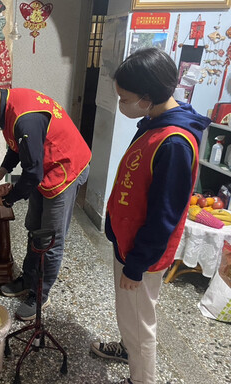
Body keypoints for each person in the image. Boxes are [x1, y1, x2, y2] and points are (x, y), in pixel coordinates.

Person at [90, 48, 210, 384]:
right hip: (129, 240)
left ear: (147, 97)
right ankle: (129, 351)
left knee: (141, 322)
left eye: (124, 98)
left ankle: (142, 378)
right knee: (128, 314)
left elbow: (164, 216)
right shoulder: (156, 121)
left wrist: (136, 264)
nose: (121, 104)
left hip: (143, 251)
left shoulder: (174, 142)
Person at [0, 78, 91, 320]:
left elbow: (32, 173)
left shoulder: (24, 118)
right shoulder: (9, 102)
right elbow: (17, 146)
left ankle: (40, 295)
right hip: (44, 167)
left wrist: (6, 200)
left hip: (65, 168)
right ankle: (28, 280)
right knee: (34, 228)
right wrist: (1, 171)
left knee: (49, 239)